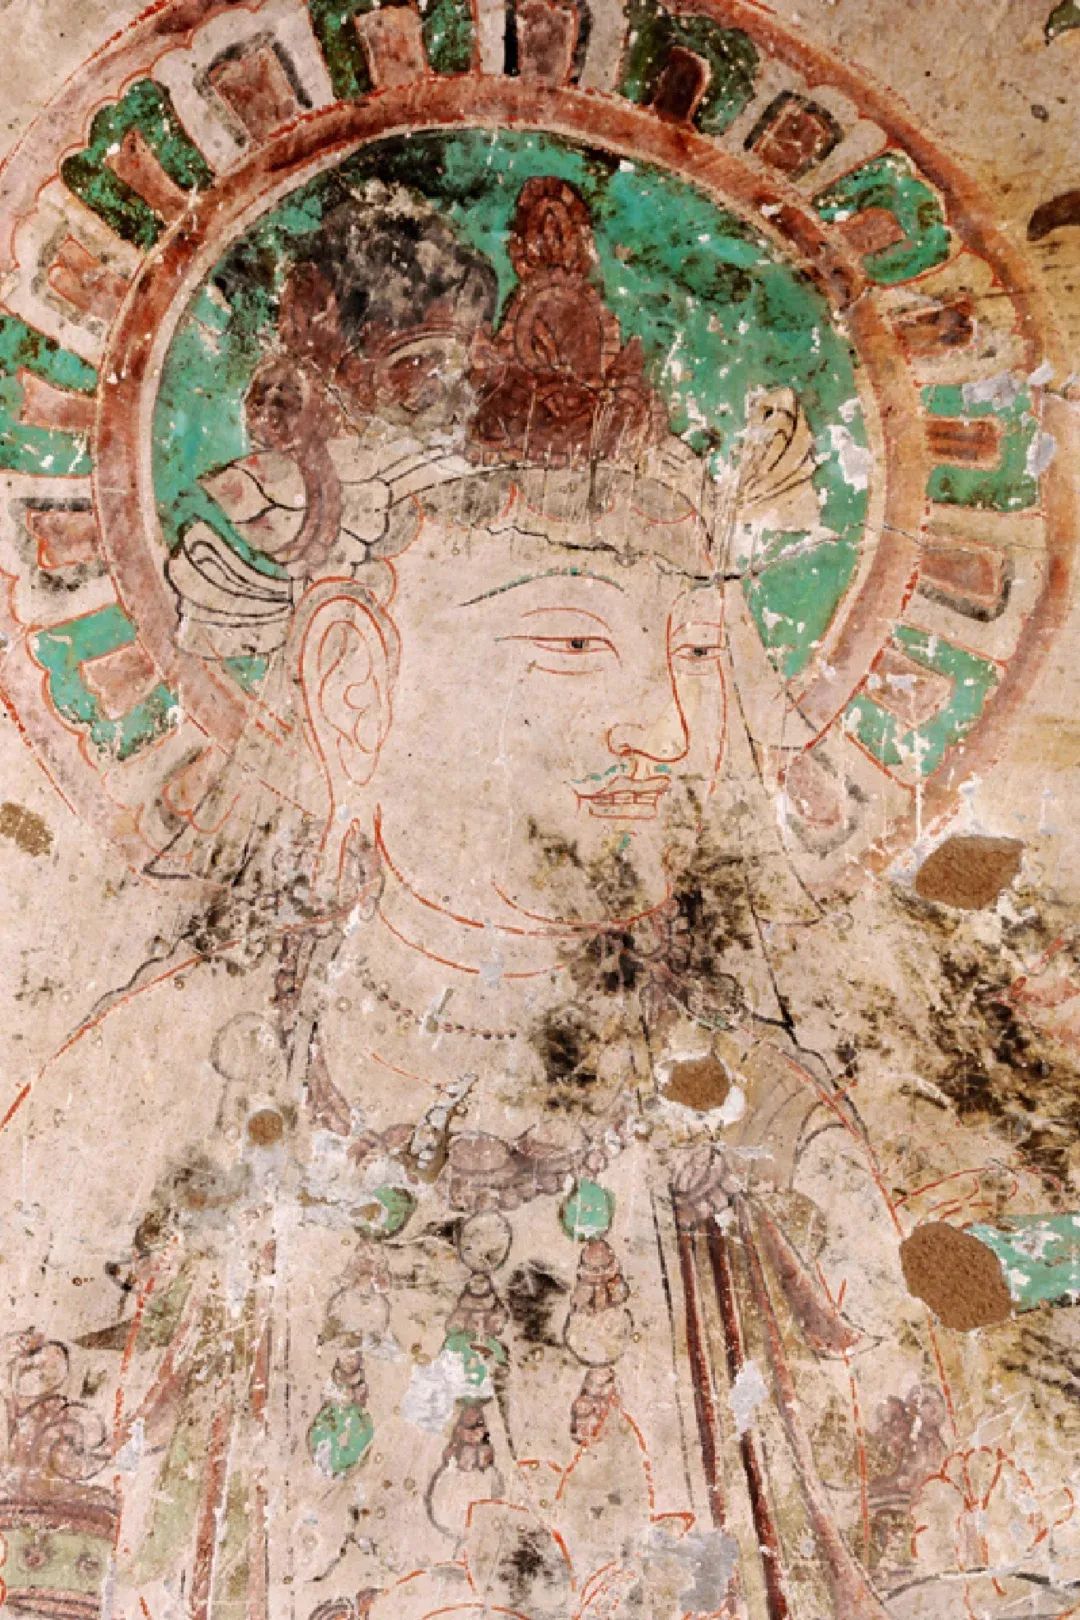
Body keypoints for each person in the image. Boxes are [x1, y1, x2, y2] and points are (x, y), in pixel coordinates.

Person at [2, 177, 1076, 1620]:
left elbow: (936, 1548)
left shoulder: (778, 1135)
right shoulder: (152, 1093)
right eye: (573, 641)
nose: (667, 737)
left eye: (691, 659)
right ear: (353, 685)